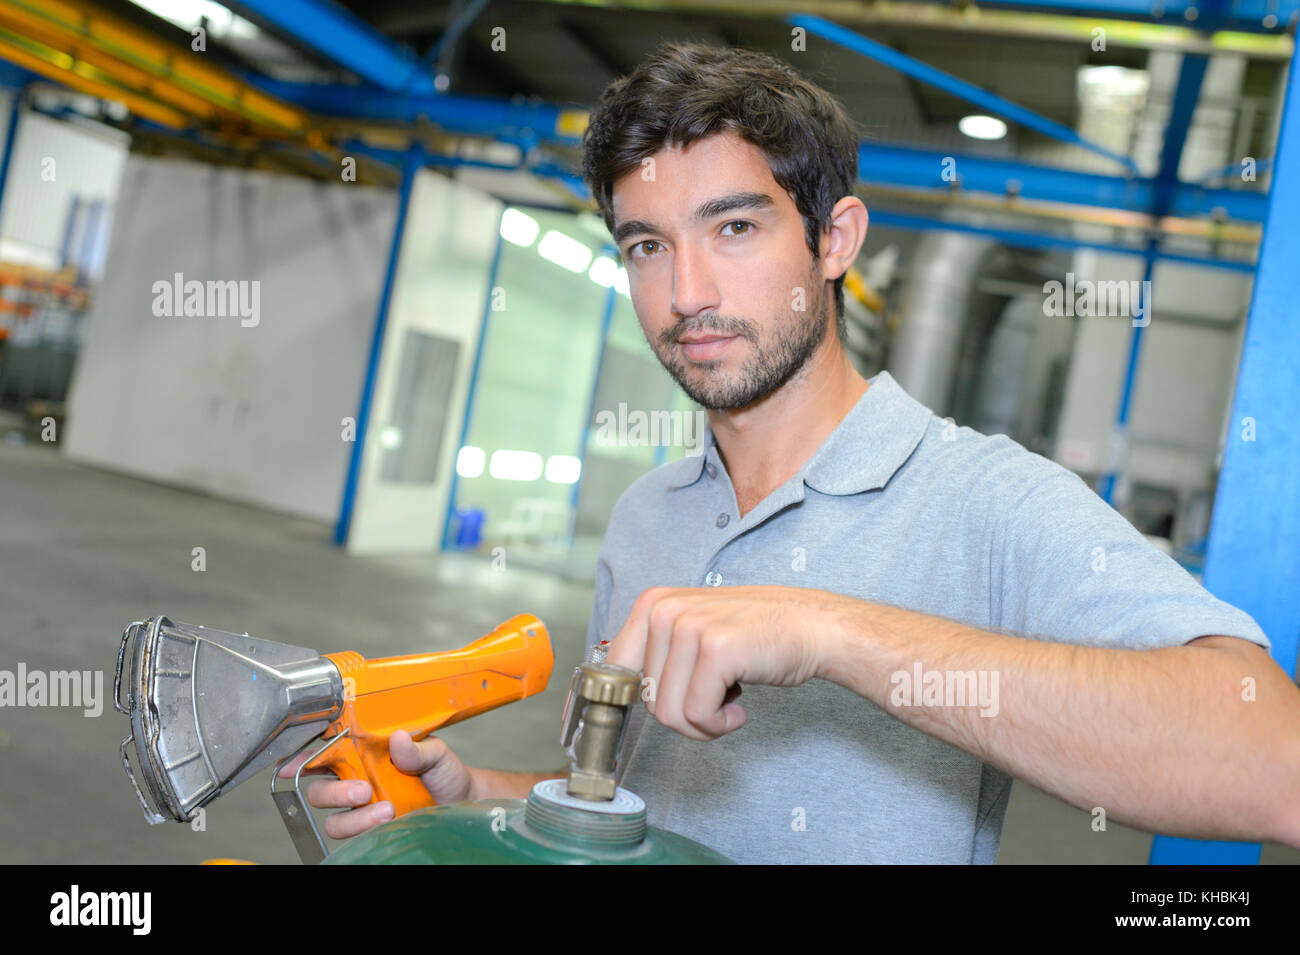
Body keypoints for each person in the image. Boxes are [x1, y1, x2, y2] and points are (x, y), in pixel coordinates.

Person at [284, 42, 1299, 863]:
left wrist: (821, 630)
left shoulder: (987, 502)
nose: (684, 292)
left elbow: (1271, 762)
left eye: (732, 227)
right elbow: (638, 814)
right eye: (645, 244)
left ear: (835, 239)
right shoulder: (651, 514)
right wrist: (475, 799)